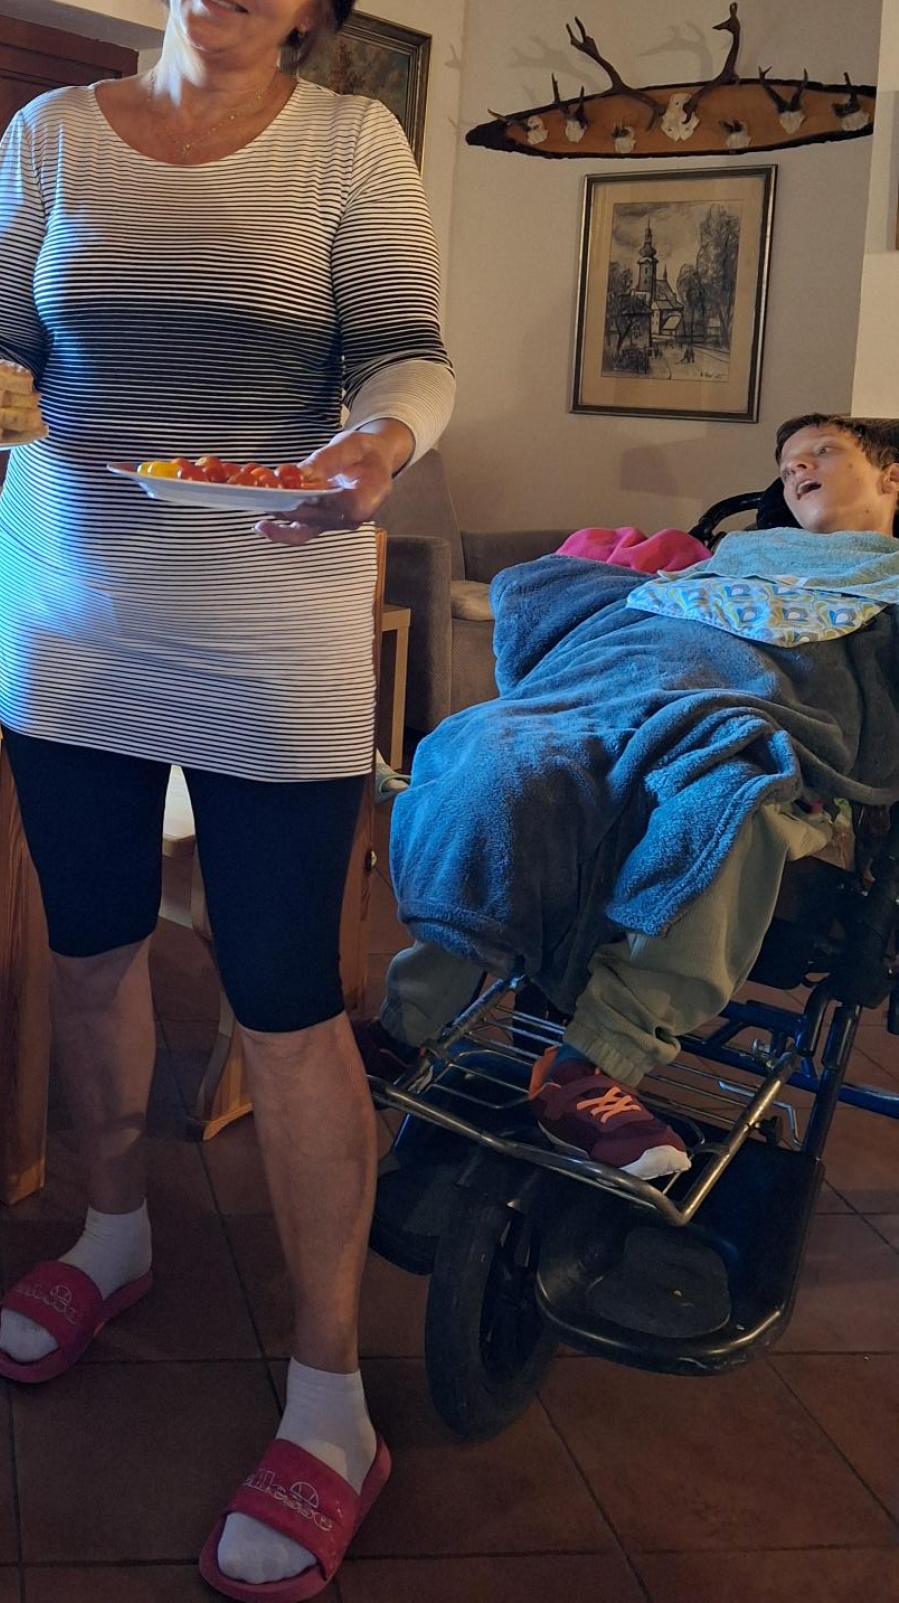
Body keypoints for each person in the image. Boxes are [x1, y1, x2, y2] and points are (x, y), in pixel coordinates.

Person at [0, 0, 453, 1599]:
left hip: (274, 625)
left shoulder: (351, 145)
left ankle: (331, 1397)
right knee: (94, 953)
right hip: (75, 618)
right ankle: (112, 1231)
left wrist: (380, 445)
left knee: (286, 1006)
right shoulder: (52, 134)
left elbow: (406, 350)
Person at [362, 411, 899, 1180]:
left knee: (726, 803)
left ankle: (593, 1063)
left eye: (822, 452)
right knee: (501, 757)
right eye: (787, 465)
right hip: (618, 687)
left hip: (753, 724)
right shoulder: (729, 556)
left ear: (891, 477)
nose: (798, 469)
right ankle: (406, 1025)